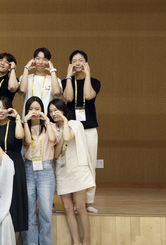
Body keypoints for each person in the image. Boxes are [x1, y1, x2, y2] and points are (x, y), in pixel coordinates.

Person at [50, 99, 94, 245]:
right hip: (63, 171)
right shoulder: (53, 129)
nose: (53, 113)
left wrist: (64, 123)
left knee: (80, 207)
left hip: (77, 170)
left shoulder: (75, 124)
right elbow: (56, 155)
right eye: (51, 111)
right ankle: (76, 241)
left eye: (56, 110)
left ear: (63, 110)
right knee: (68, 208)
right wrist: (59, 133)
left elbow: (69, 137)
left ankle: (86, 241)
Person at [62, 50, 101, 213]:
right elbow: (69, 98)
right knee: (72, 164)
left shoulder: (94, 82)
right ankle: (74, 202)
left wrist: (88, 74)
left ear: (86, 63)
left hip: (89, 128)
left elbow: (88, 95)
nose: (78, 63)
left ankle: (88, 202)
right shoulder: (66, 81)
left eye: (81, 60)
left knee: (90, 163)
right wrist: (69, 76)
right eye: (74, 61)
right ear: (71, 64)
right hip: (71, 128)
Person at [0, 96, 28, 241]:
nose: (0, 111)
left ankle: (14, 241)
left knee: (15, 204)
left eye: (4, 108)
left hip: (14, 164)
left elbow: (19, 135)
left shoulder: (15, 124)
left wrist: (17, 117)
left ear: (9, 109)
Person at [22, 96, 59, 245]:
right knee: (29, 214)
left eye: (37, 109)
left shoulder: (51, 126)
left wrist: (47, 120)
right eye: (31, 109)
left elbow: (52, 139)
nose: (34, 112)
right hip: (29, 168)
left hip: (46, 170)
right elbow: (27, 142)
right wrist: (25, 121)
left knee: (45, 214)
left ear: (43, 110)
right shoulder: (25, 126)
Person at [18, 47, 62, 117]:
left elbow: (56, 93)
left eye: (44, 59)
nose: (40, 62)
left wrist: (52, 70)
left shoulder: (54, 79)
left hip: (47, 118)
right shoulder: (25, 77)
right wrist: (26, 69)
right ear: (33, 60)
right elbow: (22, 90)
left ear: (48, 62)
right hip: (28, 117)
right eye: (38, 59)